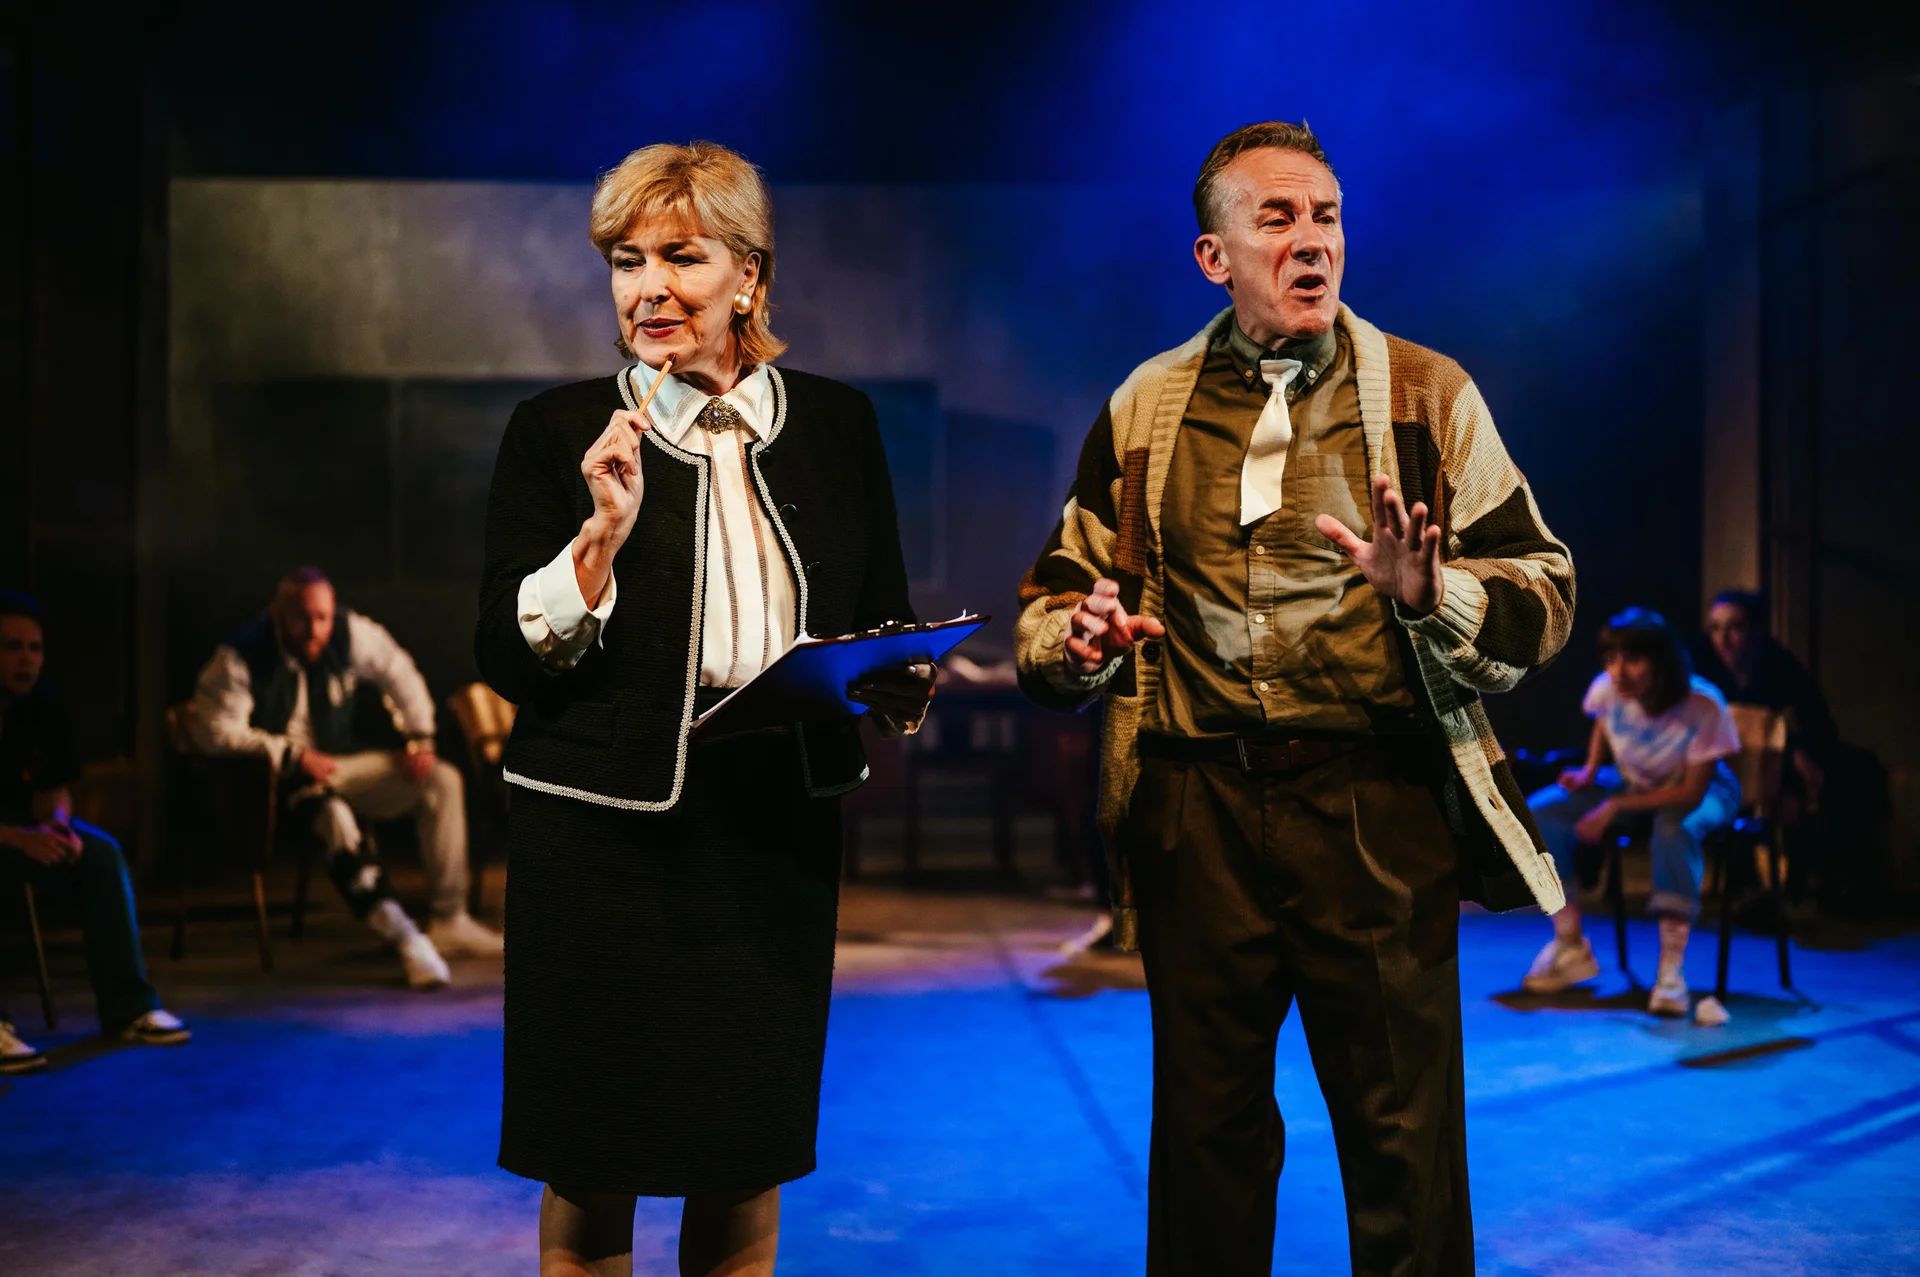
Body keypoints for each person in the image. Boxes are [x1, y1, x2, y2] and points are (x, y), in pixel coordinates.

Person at [1015, 121, 1575, 1277]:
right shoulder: (1147, 404)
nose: (1312, 240)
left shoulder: (1426, 392)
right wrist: (1078, 641)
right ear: (1212, 256)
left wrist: (1436, 593)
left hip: (1371, 803)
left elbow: (1546, 587)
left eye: (1326, 215)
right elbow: (1058, 592)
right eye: (1276, 218)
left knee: (1403, 1133)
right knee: (1205, 1136)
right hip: (1198, 809)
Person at [477, 140, 935, 1277]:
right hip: (599, 840)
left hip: (772, 837)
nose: (650, 288)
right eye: (627, 261)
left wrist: (901, 673)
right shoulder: (556, 430)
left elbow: (878, 613)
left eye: (681, 256)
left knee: (744, 1148)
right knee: (592, 1157)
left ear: (750, 274)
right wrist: (598, 539)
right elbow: (501, 655)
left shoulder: (838, 423)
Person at [191, 568, 501, 990]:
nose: (314, 629)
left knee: (441, 779)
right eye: (302, 617)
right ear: (277, 613)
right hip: (281, 781)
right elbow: (213, 731)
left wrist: (418, 736)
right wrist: (291, 753)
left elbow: (398, 671)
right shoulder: (241, 655)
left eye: (322, 617)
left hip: (342, 766)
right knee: (334, 818)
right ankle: (405, 936)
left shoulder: (349, 633)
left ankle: (450, 918)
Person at [1522, 608, 1742, 1024]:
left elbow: (1690, 792)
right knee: (1541, 812)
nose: (1618, 671)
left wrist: (1616, 806)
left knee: (1673, 828)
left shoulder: (1702, 704)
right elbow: (1603, 725)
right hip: (1634, 781)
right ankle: (1570, 944)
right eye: (1611, 659)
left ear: (1661, 663)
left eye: (1633, 659)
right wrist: (1589, 771)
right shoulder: (1608, 689)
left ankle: (1671, 970)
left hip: (1703, 788)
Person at [0, 592, 190, 1074]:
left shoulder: (44, 702)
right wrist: (19, 839)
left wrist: (58, 826)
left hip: (23, 828)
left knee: (101, 854)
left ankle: (130, 1009)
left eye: (34, 648)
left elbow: (55, 790)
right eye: (11, 647)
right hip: (7, 837)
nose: (26, 659)